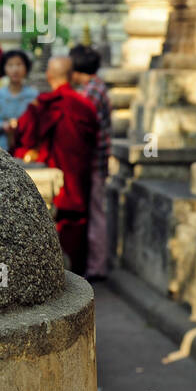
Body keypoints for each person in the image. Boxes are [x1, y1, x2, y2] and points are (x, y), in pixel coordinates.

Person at [14, 55, 99, 274]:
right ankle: (79, 276)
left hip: (49, 180)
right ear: (71, 76)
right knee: (76, 227)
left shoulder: (40, 105)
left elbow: (25, 137)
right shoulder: (84, 106)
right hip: (77, 180)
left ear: (49, 76)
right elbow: (94, 141)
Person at [70, 44, 112, 279]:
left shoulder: (93, 92)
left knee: (96, 212)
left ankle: (97, 266)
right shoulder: (93, 87)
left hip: (95, 160)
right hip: (95, 159)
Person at [0, 50, 38, 148]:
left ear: (26, 68)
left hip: (27, 147)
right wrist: (2, 125)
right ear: (4, 68)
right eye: (10, 65)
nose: (15, 70)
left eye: (19, 64)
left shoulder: (34, 95)